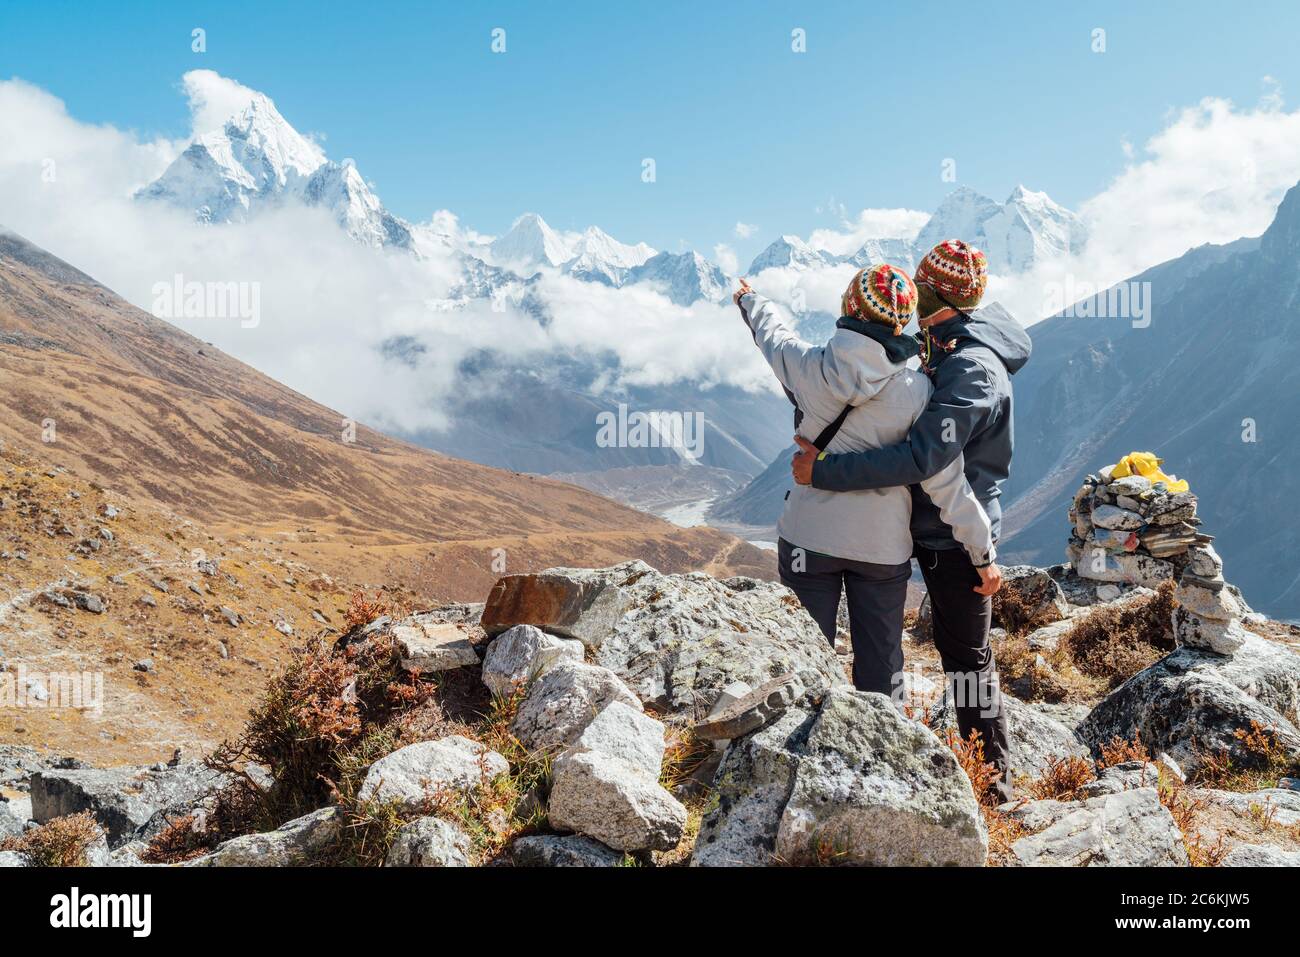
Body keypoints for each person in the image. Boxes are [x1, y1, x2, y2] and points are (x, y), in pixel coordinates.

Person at [791, 239, 1030, 801]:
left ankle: (995, 790)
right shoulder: (940, 340)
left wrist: (823, 470)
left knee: (967, 658)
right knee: (894, 649)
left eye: (919, 284)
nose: (908, 293)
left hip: (955, 533)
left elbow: (925, 456)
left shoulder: (974, 370)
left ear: (937, 294)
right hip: (908, 524)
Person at [734, 265, 1001, 697]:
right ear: (902, 320)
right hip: (881, 550)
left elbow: (771, 334)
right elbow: (946, 480)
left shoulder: (805, 366)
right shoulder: (917, 391)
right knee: (882, 665)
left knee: (806, 657)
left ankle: (799, 745)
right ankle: (883, 747)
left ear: (848, 306)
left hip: (808, 539)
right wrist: (981, 551)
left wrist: (749, 300)